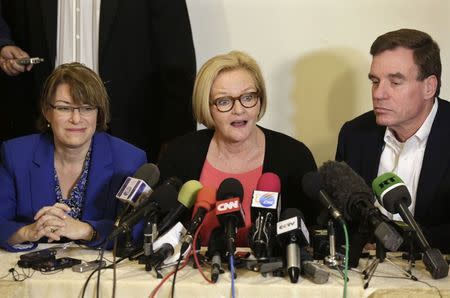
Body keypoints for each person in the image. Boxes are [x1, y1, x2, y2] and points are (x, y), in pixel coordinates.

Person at [158, 51, 319, 247]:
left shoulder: (294, 157)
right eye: (224, 101)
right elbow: (161, 230)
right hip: (193, 275)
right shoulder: (179, 154)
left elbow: (311, 234)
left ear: (259, 100)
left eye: (248, 97)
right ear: (207, 106)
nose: (239, 110)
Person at [0, 0, 196, 161]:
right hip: (38, 133)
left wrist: (177, 145)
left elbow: (177, 60)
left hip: (128, 135)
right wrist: (4, 44)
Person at [0, 62, 147, 252]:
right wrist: (27, 232)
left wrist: (87, 231)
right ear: (47, 112)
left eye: (87, 108)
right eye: (64, 108)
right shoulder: (16, 155)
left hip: (99, 274)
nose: (76, 119)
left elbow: (137, 231)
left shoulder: (129, 160)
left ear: (98, 113)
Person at [336, 28, 450, 253]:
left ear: (429, 86)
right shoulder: (354, 135)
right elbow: (341, 220)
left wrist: (398, 242)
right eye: (375, 81)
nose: (378, 93)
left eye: (395, 82)